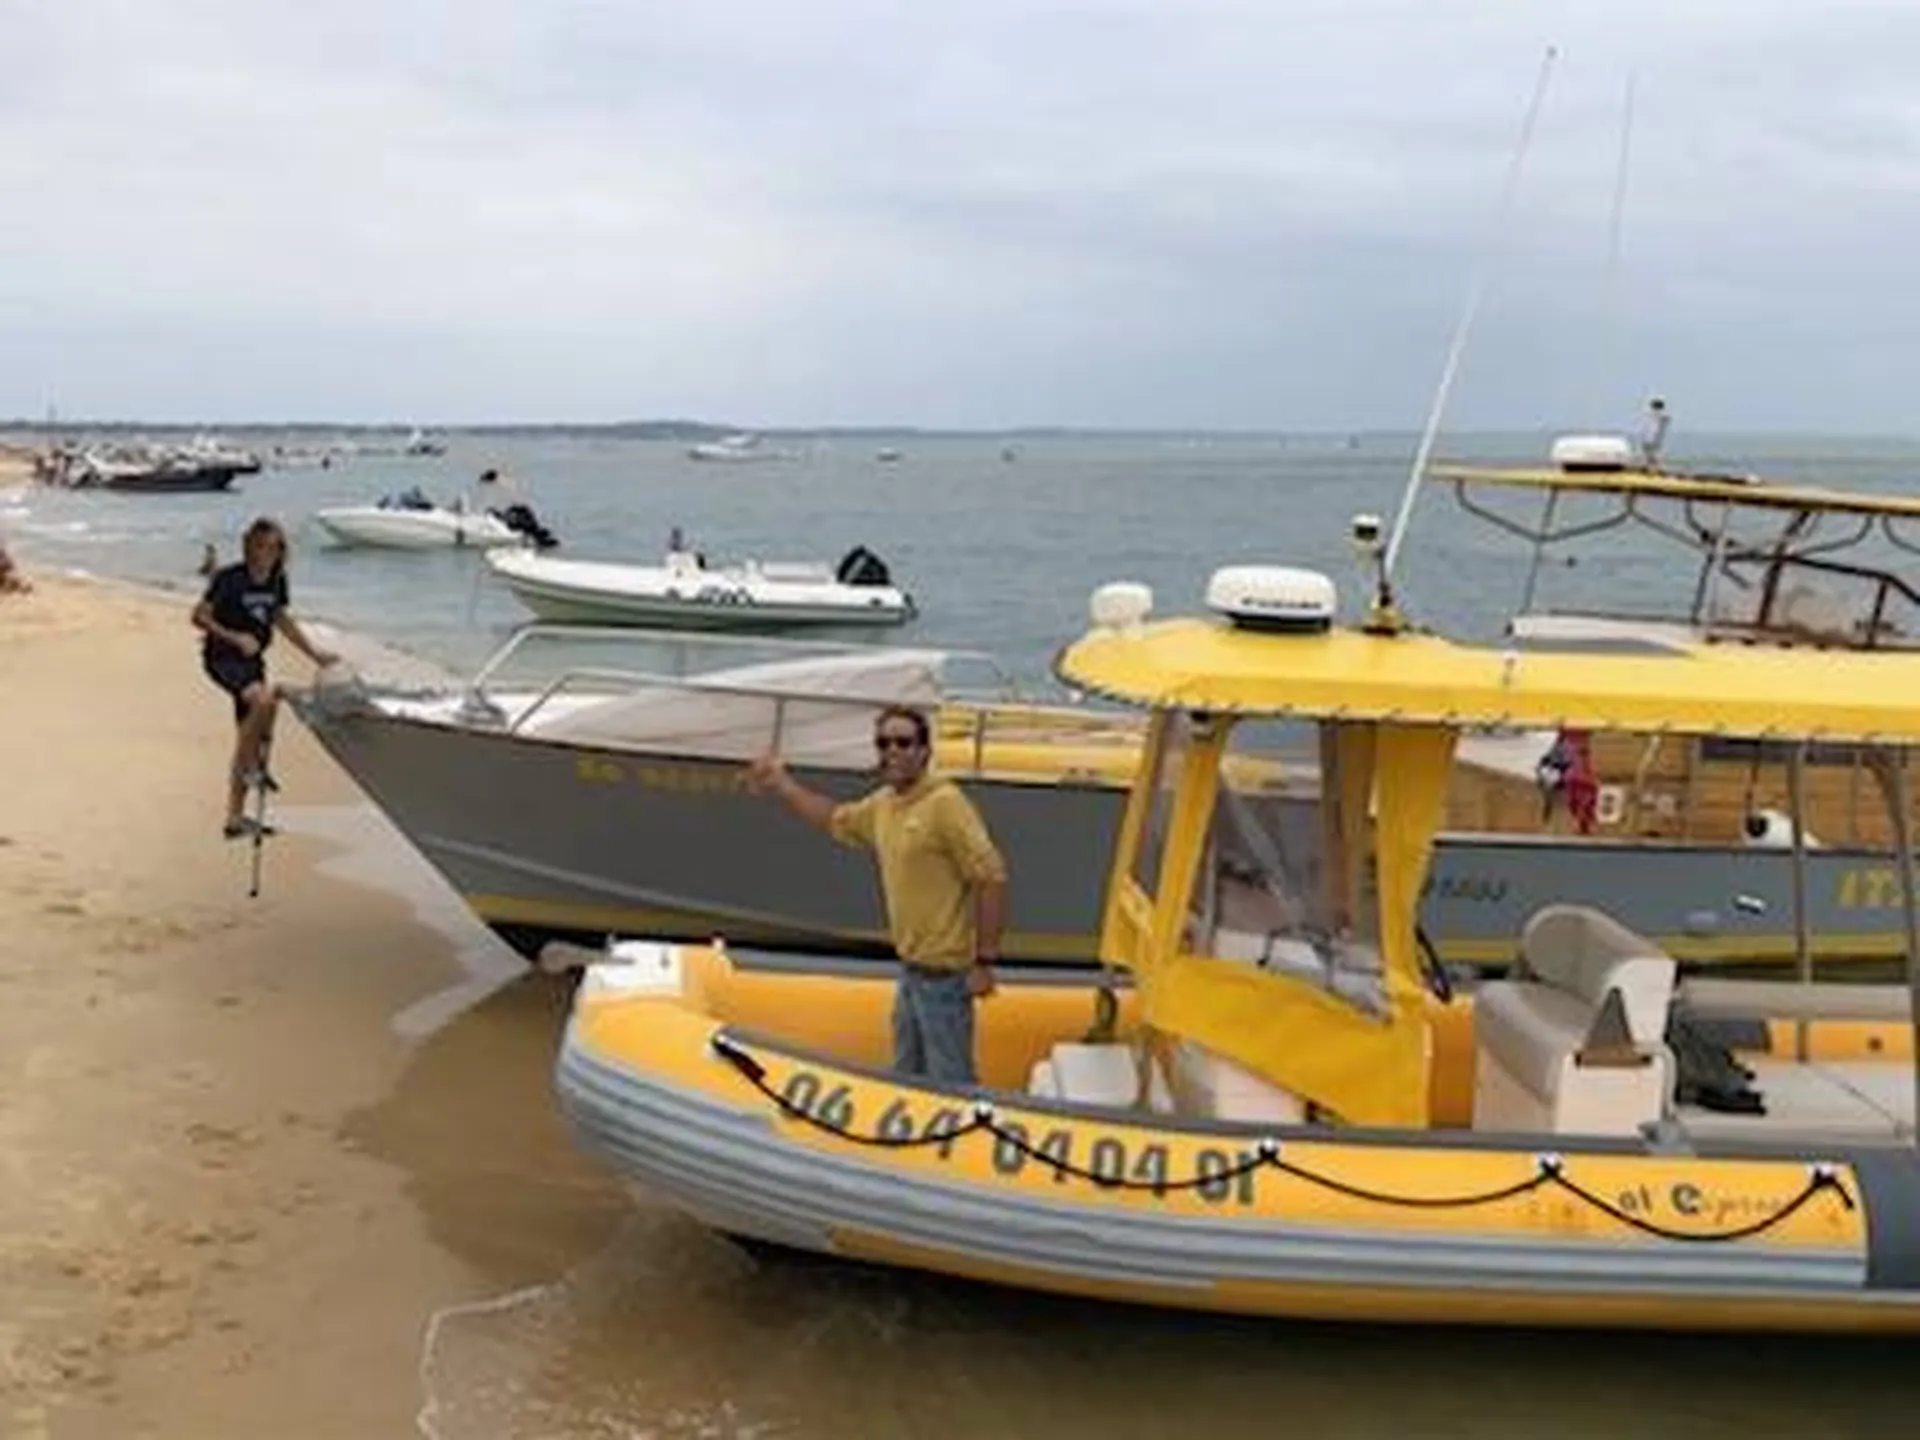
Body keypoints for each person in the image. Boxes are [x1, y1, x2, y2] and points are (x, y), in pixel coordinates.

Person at [746, 705, 1007, 1085]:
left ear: (924, 751)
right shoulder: (884, 804)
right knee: (905, 1075)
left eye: (904, 742)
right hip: (910, 972)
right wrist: (784, 786)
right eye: (884, 743)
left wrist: (984, 961)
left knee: (952, 1083)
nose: (893, 752)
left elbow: (993, 877)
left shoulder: (946, 804)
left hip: (946, 978)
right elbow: (835, 818)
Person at [191, 517, 337, 839]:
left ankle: (235, 818)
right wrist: (235, 637)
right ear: (249, 547)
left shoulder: (276, 581)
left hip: (253, 663)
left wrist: (314, 654)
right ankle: (254, 767)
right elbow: (198, 616)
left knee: (249, 729)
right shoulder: (231, 578)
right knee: (263, 699)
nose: (268, 553)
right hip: (222, 658)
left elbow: (280, 619)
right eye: (262, 546)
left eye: (275, 547)